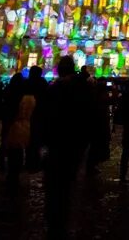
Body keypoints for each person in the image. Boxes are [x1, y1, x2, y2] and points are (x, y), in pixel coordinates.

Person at [41, 56, 95, 239]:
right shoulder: (83, 88)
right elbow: (89, 115)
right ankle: (62, 218)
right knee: (67, 182)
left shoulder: (53, 89)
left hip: (57, 143)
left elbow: (44, 117)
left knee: (55, 184)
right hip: (75, 143)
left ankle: (54, 221)